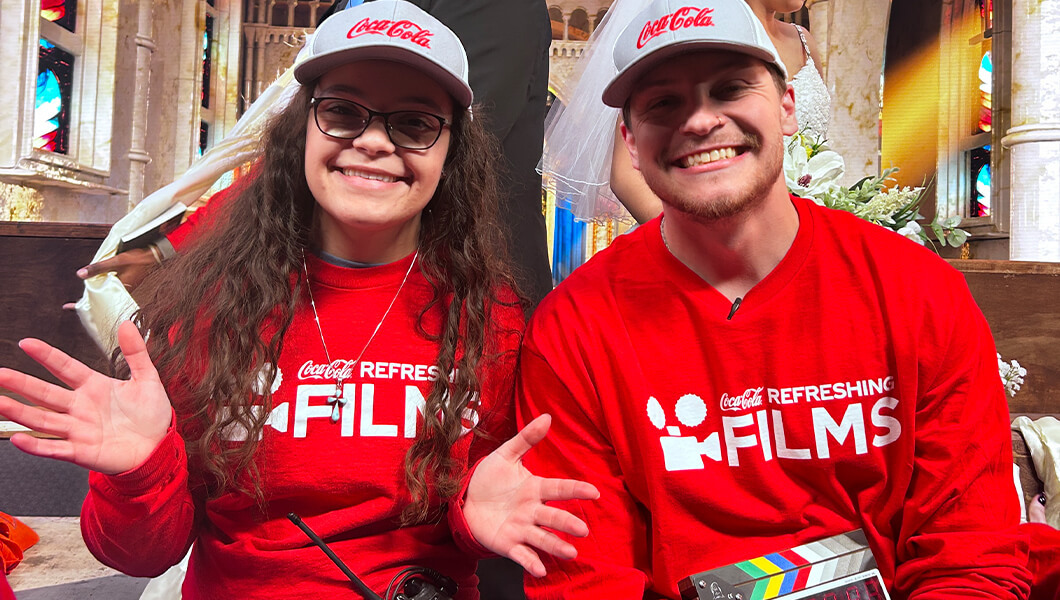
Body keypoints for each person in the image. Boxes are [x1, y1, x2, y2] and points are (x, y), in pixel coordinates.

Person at [0, 2, 595, 598]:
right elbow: (140, 554)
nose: (373, 141)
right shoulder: (209, 308)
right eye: (342, 112)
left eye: (414, 123)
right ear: (300, 130)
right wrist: (138, 473)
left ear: (452, 151)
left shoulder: (493, 320)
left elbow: (485, 505)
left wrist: (470, 517)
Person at [516, 0, 1032, 597]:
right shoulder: (573, 328)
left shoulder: (917, 290)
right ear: (630, 141)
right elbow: (586, 577)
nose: (700, 121)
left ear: (787, 106)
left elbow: (970, 549)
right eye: (663, 104)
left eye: (730, 88)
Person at [75, 0, 554, 313]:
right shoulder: (347, 5)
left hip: (463, 285)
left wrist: (177, 248)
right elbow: (296, 148)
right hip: (336, 284)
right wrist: (172, 246)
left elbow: (435, 146)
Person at [540, 0, 829, 225]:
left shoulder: (803, 41)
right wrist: (705, 247)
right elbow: (624, 174)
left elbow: (821, 149)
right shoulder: (694, 36)